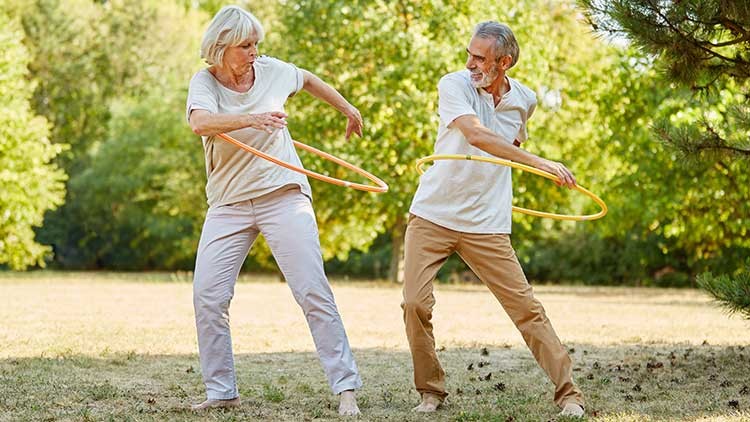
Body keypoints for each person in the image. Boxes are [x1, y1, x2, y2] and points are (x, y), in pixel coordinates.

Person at [401, 21, 585, 418]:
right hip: (434, 212)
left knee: (526, 309)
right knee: (414, 302)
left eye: (479, 57)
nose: (470, 63)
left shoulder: (526, 99)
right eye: (469, 53)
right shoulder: (454, 85)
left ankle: (570, 395)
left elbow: (510, 145)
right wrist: (542, 163)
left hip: (486, 221)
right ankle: (430, 392)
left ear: (504, 62)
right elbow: (478, 137)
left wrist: (531, 164)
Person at [186, 5, 362, 415]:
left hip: (282, 194)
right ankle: (221, 391)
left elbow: (309, 80)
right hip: (228, 203)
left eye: (255, 44)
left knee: (311, 289)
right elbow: (200, 123)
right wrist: (253, 118)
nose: (254, 52)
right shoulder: (205, 83)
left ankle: (346, 388)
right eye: (245, 45)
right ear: (221, 47)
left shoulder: (272, 70)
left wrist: (348, 109)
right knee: (208, 297)